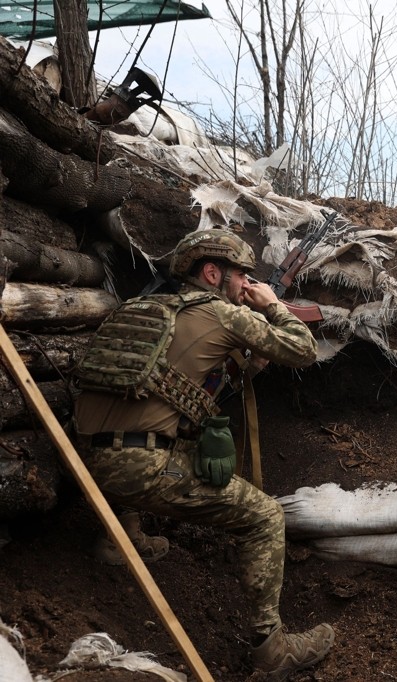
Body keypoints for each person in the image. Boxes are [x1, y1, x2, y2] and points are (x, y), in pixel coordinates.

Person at [73, 228, 334, 680]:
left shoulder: (143, 309)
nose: (246, 286)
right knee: (266, 516)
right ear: (212, 274)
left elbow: (175, 392)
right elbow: (304, 349)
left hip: (86, 463)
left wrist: (246, 364)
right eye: (241, 278)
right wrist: (272, 304)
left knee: (167, 438)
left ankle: (121, 538)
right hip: (142, 470)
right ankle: (272, 648)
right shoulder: (221, 314)